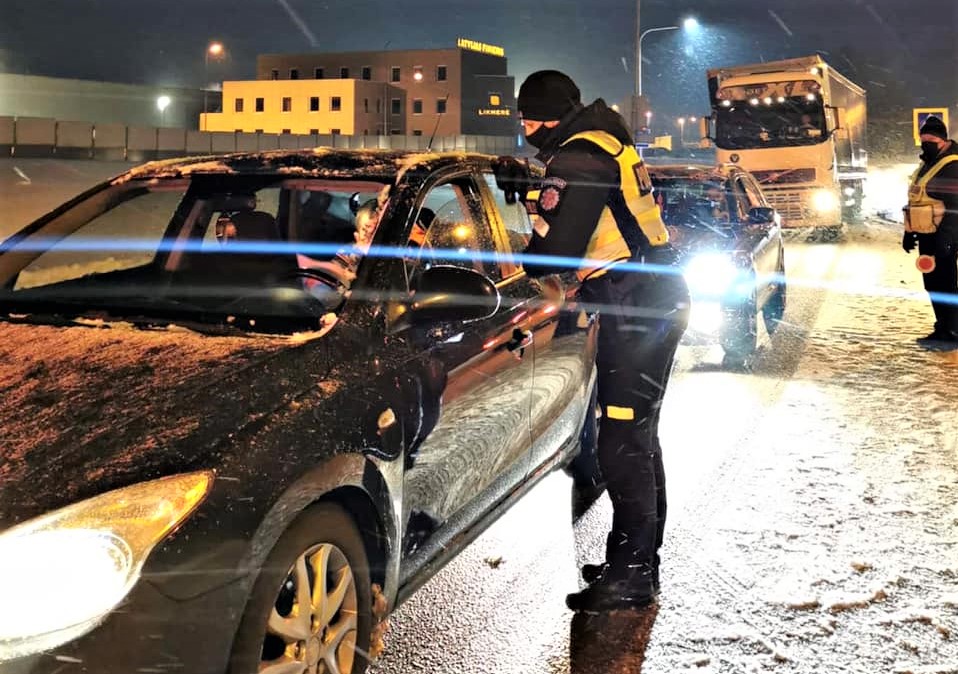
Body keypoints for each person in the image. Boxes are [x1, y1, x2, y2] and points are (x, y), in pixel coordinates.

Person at [494, 70, 690, 612]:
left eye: (526, 118)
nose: (524, 127)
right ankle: (636, 561)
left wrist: (524, 242)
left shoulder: (579, 157)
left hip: (636, 305)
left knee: (623, 440)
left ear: (544, 116)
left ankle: (632, 575)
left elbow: (555, 254)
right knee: (637, 436)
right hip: (648, 297)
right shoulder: (604, 142)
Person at [902, 115, 958, 348]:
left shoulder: (951, 166)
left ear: (943, 140)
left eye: (931, 141)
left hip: (943, 236)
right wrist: (909, 233)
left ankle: (952, 330)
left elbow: (955, 208)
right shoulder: (928, 164)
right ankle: (942, 327)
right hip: (926, 235)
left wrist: (946, 241)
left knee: (946, 283)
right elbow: (917, 201)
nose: (927, 144)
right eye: (923, 140)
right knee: (933, 284)